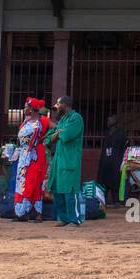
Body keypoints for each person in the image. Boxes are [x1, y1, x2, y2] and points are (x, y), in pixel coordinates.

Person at [46, 96, 85, 226]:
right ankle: (64, 219)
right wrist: (57, 133)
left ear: (65, 105)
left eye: (58, 104)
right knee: (57, 191)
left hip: (69, 161)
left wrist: (58, 134)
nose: (56, 107)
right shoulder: (62, 120)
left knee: (70, 192)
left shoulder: (76, 118)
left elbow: (66, 136)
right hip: (58, 161)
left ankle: (75, 219)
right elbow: (48, 139)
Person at [13, 98, 48, 222]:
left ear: (32, 109)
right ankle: (20, 212)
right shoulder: (26, 122)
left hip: (31, 157)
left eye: (26, 107)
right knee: (20, 183)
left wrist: (46, 140)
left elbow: (32, 143)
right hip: (23, 156)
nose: (24, 109)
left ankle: (26, 212)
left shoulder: (37, 125)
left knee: (29, 183)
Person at [98, 114, 126, 206]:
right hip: (106, 160)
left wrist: (122, 160)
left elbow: (124, 147)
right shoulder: (106, 133)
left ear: (115, 121)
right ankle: (103, 200)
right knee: (104, 181)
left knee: (115, 180)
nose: (108, 122)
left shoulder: (121, 133)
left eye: (109, 120)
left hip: (116, 160)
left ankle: (116, 201)